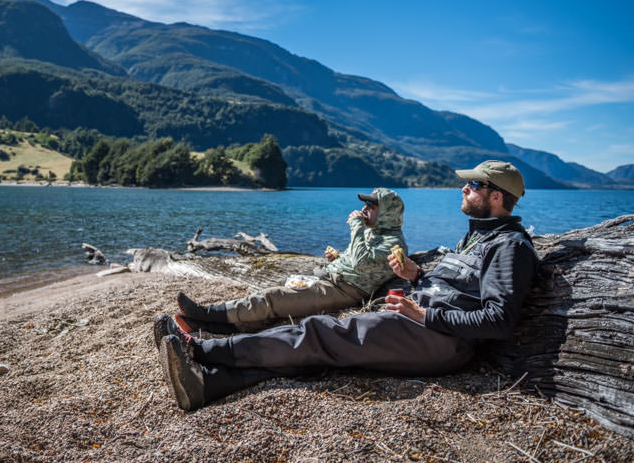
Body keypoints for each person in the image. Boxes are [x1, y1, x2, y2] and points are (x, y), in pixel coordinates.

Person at [155, 160, 539, 411]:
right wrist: (415, 277)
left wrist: (425, 312)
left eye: (473, 185)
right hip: (420, 325)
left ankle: (203, 350)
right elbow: (461, 287)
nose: (463, 189)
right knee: (321, 354)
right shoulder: (476, 238)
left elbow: (499, 319)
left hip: (440, 339)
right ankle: (211, 385)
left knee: (319, 332)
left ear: (496, 196)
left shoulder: (510, 245)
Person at [158, 188, 406, 339]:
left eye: (370, 206)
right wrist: (339, 257)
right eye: (365, 204)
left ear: (385, 213)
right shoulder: (375, 233)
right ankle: (203, 325)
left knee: (273, 298)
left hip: (345, 290)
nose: (364, 209)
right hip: (331, 278)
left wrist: (355, 226)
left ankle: (207, 313)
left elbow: (363, 262)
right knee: (278, 296)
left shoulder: (393, 241)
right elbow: (360, 261)